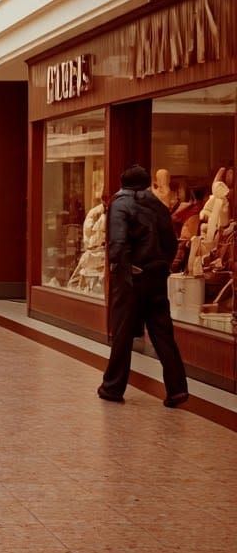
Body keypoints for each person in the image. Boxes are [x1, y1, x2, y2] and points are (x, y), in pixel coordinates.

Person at [98, 164, 188, 407]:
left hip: (131, 278)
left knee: (123, 332)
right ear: (148, 183)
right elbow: (171, 242)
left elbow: (117, 243)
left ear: (123, 183)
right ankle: (177, 389)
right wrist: (162, 266)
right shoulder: (158, 206)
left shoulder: (120, 204)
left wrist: (121, 271)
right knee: (163, 333)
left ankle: (113, 386)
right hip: (156, 276)